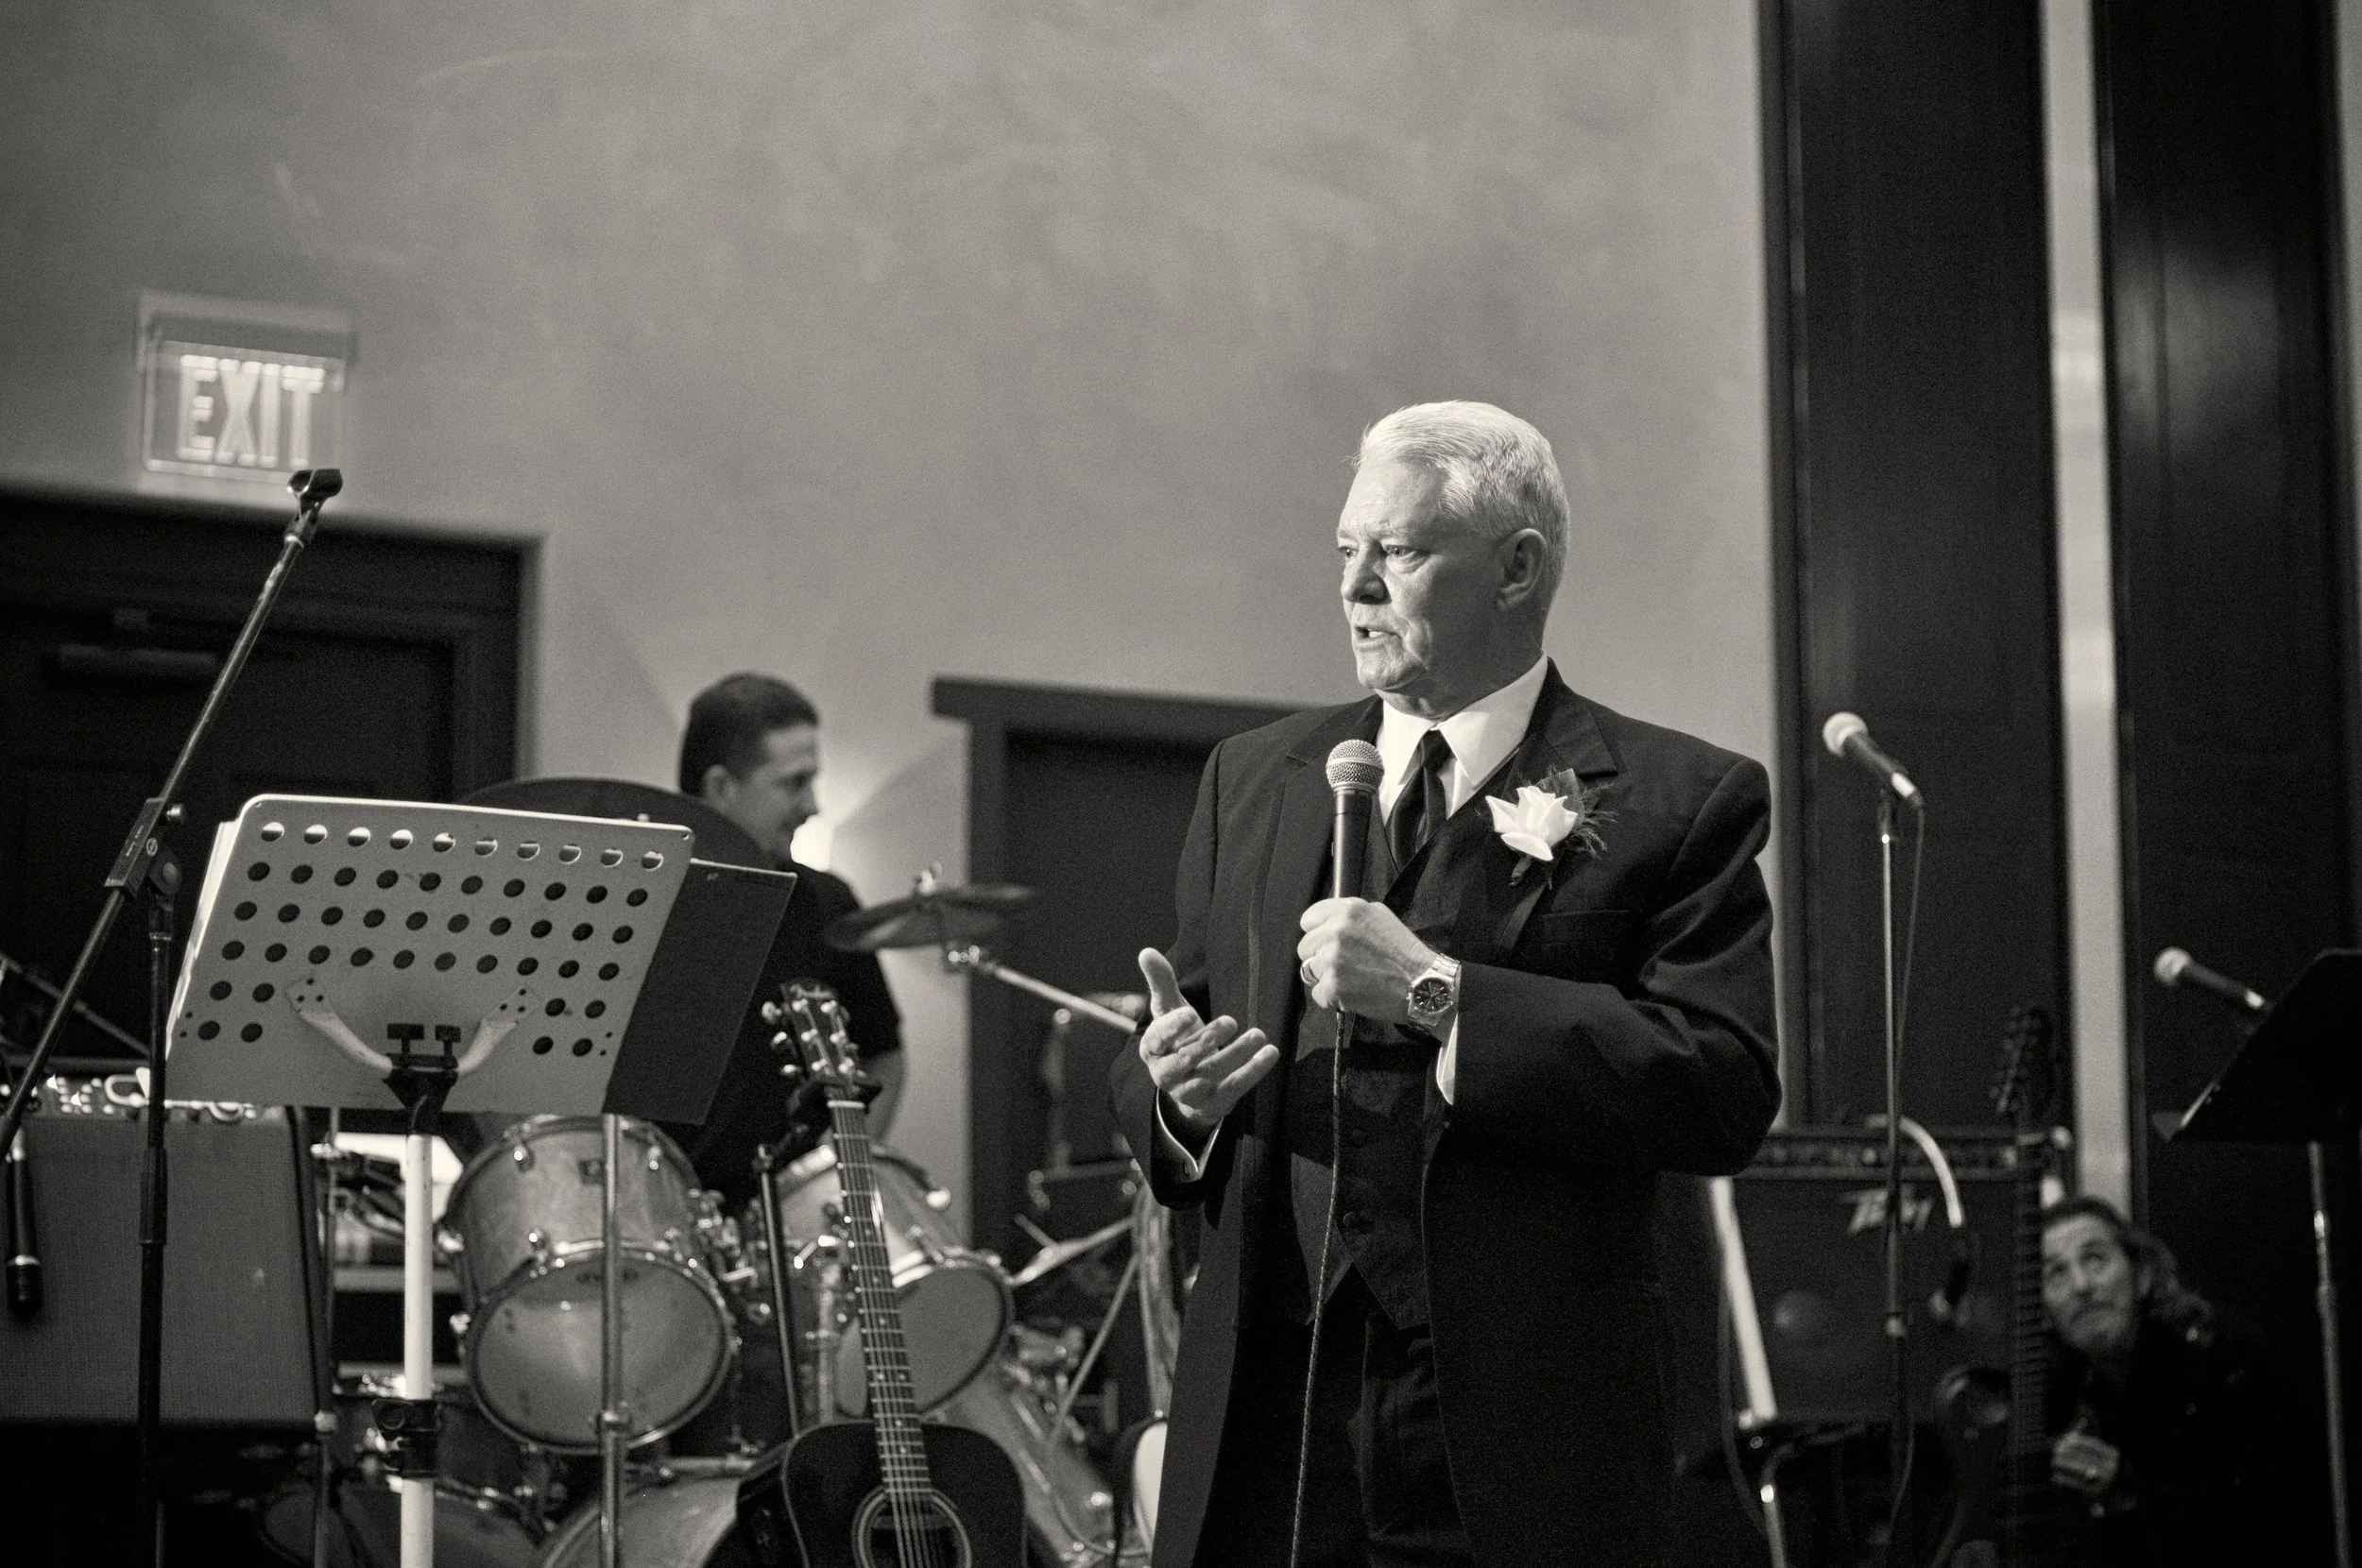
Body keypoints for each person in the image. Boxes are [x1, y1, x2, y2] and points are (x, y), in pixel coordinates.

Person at [1109, 401, 1781, 1567]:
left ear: (1515, 568)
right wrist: (1174, 1094)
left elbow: (1719, 1084)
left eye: (1401, 551)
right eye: (1345, 549)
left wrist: (1437, 992)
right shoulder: (1254, 777)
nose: (1354, 587)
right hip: (1273, 1411)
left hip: (1519, 1428)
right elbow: (1174, 1030)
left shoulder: (1678, 798)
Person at [669, 673, 905, 1206]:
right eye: (793, 783)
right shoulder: (645, 903)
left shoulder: (828, 903)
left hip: (797, 1223)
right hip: (667, 1222)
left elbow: (884, 1056)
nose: (814, 805)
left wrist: (835, 1177)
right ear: (721, 788)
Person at [2040, 1195, 2321, 1566]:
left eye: (2095, 1259)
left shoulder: (2220, 1362)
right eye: (2056, 1273)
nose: (2080, 1285)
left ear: (2141, 1275)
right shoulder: (2067, 1392)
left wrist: (2125, 1489)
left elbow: (2249, 1524)